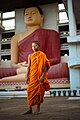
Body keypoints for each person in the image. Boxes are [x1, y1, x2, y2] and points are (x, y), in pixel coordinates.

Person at [0, 6, 60, 82]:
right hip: (22, 68)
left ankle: (4, 80)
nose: (29, 16)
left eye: (33, 13)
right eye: (26, 14)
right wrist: (18, 65)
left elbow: (56, 59)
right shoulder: (16, 38)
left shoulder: (52, 33)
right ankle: (27, 74)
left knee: (63, 68)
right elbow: (13, 63)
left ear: (41, 17)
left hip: (41, 67)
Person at [24, 40, 50, 114]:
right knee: (29, 91)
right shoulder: (30, 56)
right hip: (32, 76)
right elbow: (29, 66)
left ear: (39, 46)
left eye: (35, 45)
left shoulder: (42, 55)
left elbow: (46, 66)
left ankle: (38, 108)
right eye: (32, 46)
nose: (33, 47)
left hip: (39, 77)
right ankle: (30, 109)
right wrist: (27, 75)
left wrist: (43, 76)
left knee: (39, 92)